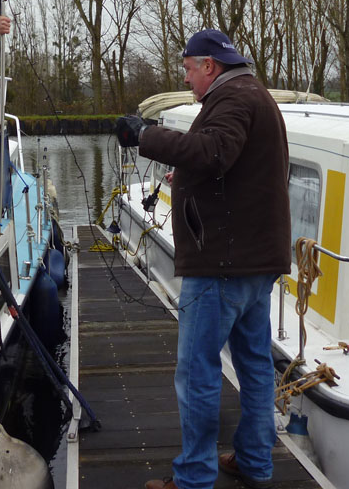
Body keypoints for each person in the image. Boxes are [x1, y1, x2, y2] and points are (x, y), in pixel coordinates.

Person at [115, 29, 291, 489]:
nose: (188, 79)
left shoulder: (232, 98)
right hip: (255, 260)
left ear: (209, 65)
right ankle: (255, 461)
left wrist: (146, 135)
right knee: (254, 364)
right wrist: (187, 173)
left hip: (223, 264)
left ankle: (194, 477)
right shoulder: (254, 94)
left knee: (197, 372)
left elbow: (214, 152)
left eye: (189, 70)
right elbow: (234, 165)